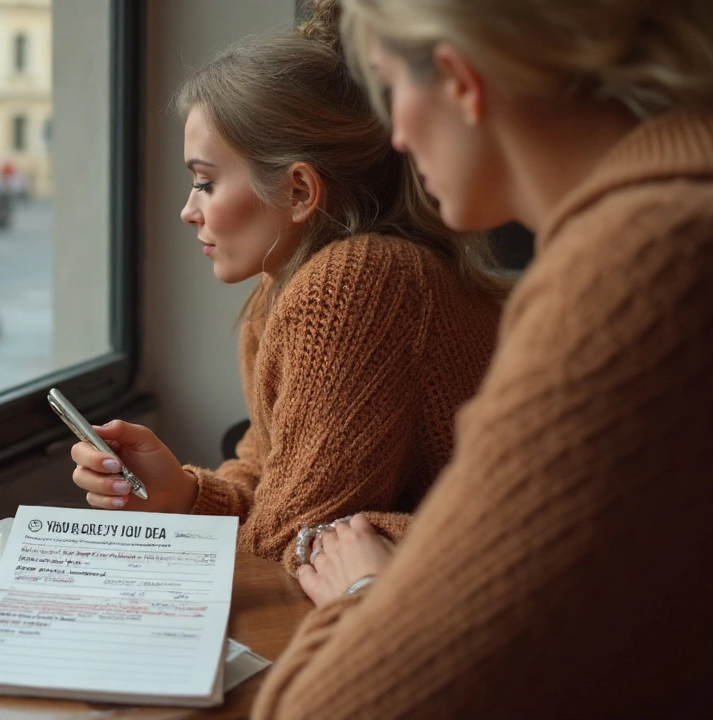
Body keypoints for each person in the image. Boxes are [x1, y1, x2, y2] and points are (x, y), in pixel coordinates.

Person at [252, 0, 713, 717]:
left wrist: (365, 592)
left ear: (457, 78)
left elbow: (332, 710)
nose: (397, 136)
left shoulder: (643, 265)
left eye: (389, 89)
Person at [68, 3, 507, 585]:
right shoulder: (281, 288)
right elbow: (273, 480)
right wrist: (183, 492)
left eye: (205, 181)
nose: (187, 209)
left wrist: (304, 533)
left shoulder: (360, 283)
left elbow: (285, 540)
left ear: (299, 189)